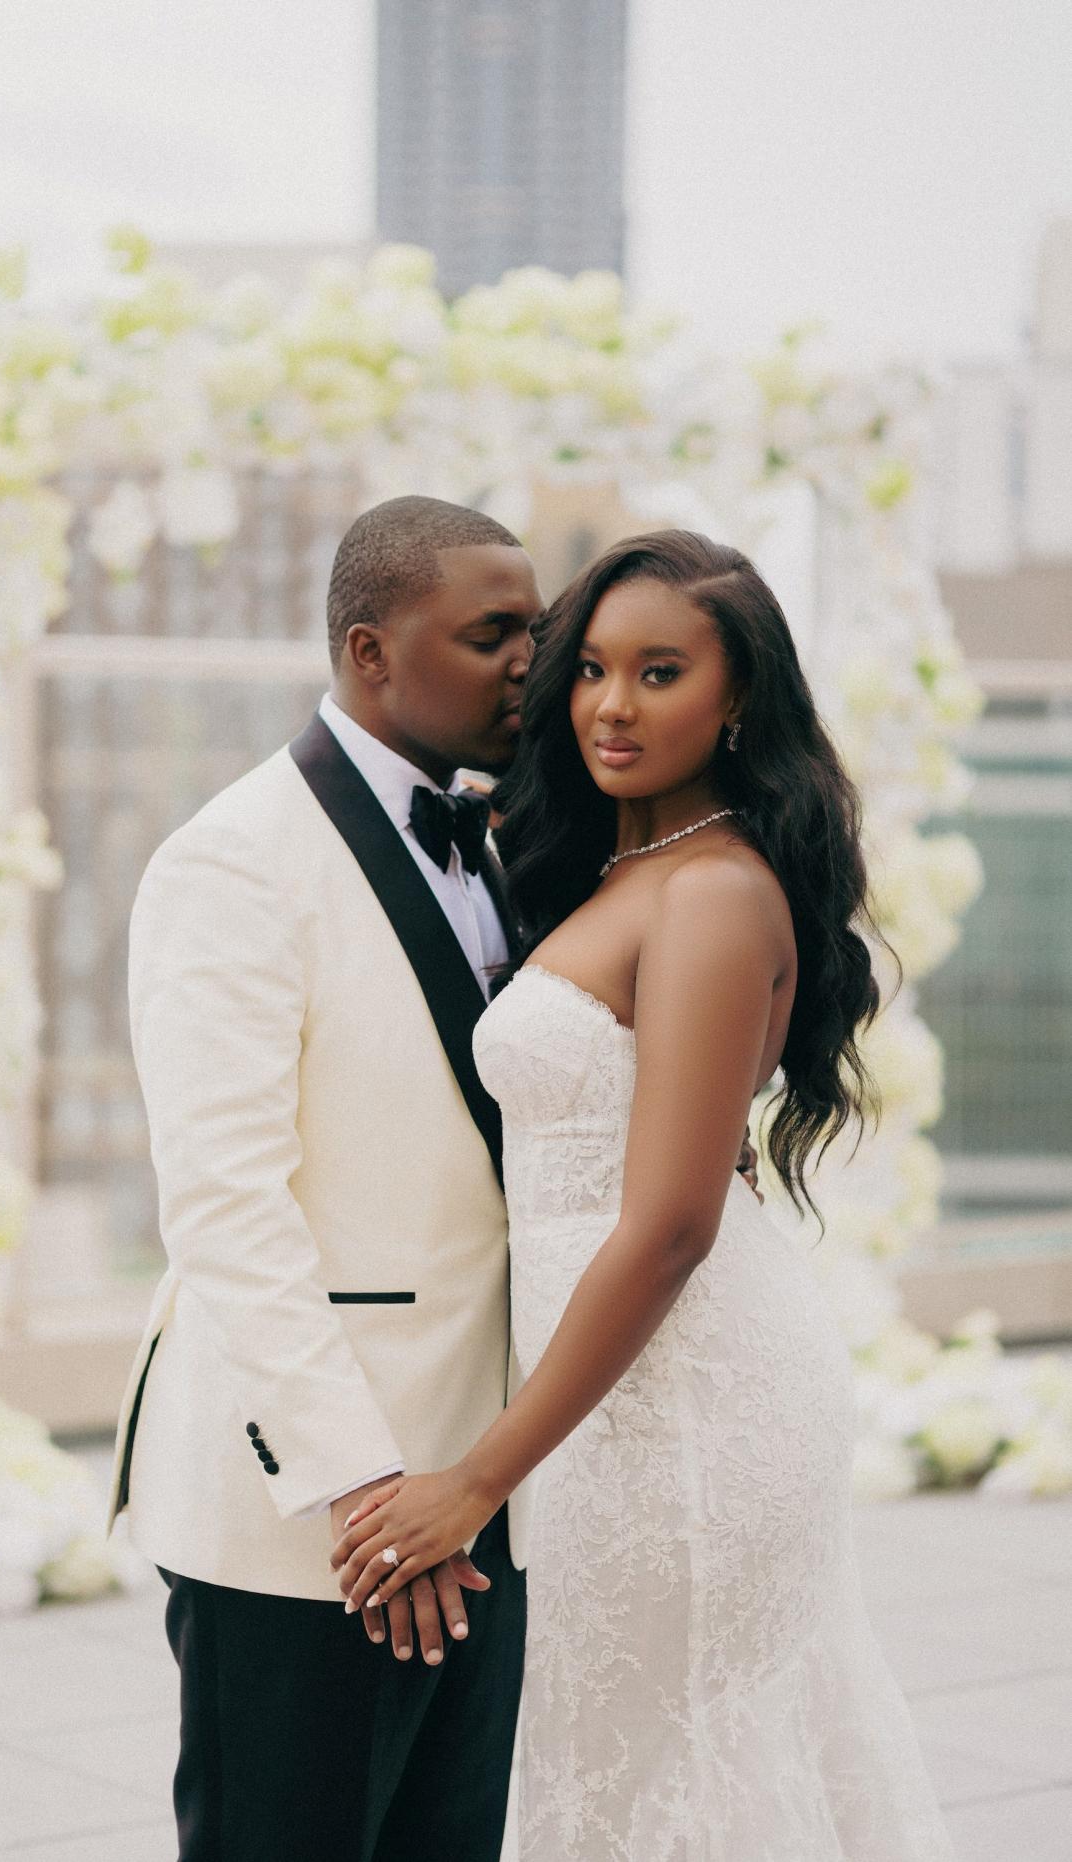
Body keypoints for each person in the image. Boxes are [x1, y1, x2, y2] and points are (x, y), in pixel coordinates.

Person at [333, 530, 956, 1860]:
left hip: (680, 1399)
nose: (612, 705)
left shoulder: (715, 893)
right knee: (628, 1764)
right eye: (593, 670)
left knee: (672, 1763)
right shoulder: (620, 872)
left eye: (660, 671)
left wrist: (475, 1476)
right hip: (615, 1390)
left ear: (735, 700)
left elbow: (671, 1222)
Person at [106, 495, 540, 1860]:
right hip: (316, 1519)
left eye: (537, 627)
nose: (530, 660)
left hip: (485, 1491)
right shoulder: (231, 861)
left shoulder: (516, 838)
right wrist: (366, 1494)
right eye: (489, 634)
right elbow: (227, 1209)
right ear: (368, 649)